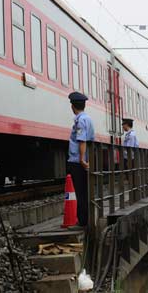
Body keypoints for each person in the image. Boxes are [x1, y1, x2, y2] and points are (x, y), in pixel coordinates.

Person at [67, 92, 95, 229]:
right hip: (83, 160)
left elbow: (82, 140)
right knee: (84, 191)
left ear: (73, 106)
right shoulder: (87, 118)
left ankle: (82, 221)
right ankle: (86, 219)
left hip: (77, 162)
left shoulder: (80, 120)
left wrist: (82, 159)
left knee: (80, 192)